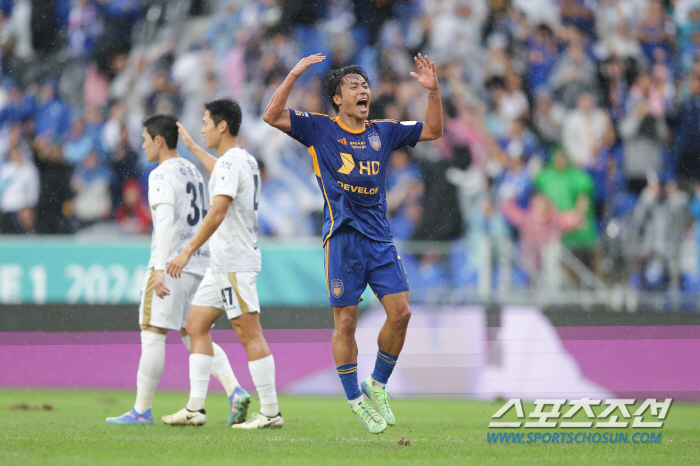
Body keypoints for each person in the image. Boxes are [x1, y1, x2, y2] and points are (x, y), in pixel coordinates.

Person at [262, 53, 443, 434]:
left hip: (379, 237)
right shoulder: (319, 129)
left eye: (365, 85)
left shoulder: (384, 131)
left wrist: (434, 92)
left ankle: (375, 385)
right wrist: (294, 72)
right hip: (342, 238)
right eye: (354, 86)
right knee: (345, 321)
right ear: (337, 100)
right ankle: (355, 400)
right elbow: (271, 115)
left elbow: (434, 130)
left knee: (402, 313)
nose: (363, 90)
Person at [106, 115, 241, 425]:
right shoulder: (192, 170)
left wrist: (160, 266)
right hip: (200, 262)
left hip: (174, 263)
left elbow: (165, 221)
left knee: (152, 333)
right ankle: (234, 390)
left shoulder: (160, 174)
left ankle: (141, 410)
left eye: (144, 138)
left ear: (159, 141)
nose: (142, 145)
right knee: (194, 334)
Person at [163, 99, 281, 429]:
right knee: (196, 325)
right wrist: (190, 148)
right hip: (222, 264)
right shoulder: (242, 159)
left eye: (204, 123)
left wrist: (187, 251)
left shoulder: (230, 163)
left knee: (249, 333)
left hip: (233, 261)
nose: (201, 129)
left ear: (222, 126)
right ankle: (195, 408)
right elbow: (220, 172)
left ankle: (271, 412)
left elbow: (217, 211)